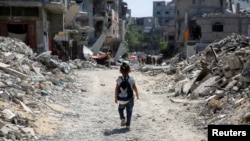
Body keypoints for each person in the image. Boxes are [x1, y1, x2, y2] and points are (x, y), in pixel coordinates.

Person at [115, 62, 139, 130]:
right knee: (129, 111)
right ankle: (128, 125)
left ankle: (122, 118)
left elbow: (116, 89)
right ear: (129, 70)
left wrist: (115, 98)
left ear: (120, 71)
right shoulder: (131, 79)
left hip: (121, 99)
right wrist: (137, 94)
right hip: (130, 98)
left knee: (120, 109)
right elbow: (134, 87)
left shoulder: (119, 79)